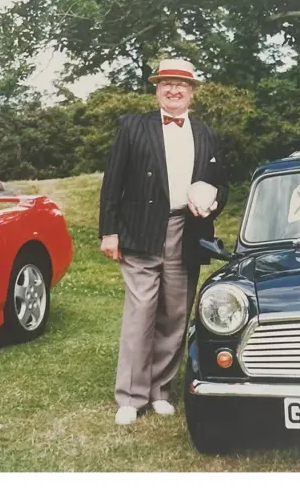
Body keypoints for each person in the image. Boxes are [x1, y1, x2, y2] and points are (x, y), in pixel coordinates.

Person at [98, 58, 229, 426]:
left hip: (186, 232)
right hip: (140, 231)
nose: (174, 90)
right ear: (156, 89)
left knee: (174, 314)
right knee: (141, 313)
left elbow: (223, 184)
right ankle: (131, 396)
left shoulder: (206, 134)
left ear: (192, 92)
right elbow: (113, 181)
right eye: (166, 83)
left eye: (181, 85)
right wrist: (109, 231)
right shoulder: (133, 127)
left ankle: (160, 391)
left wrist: (213, 202)